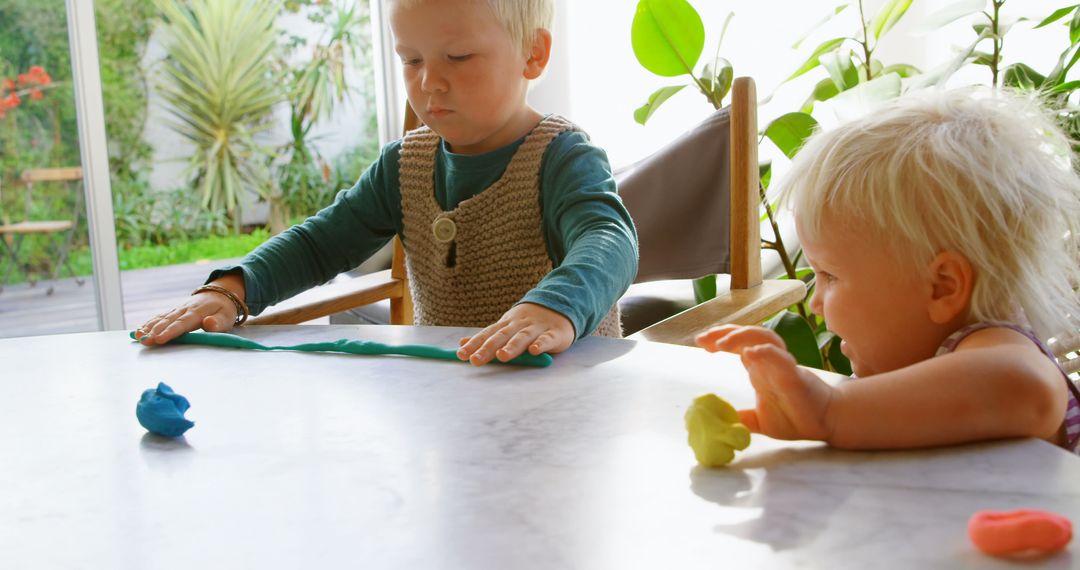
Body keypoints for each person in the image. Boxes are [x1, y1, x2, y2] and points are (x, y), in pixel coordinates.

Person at [135, 0, 637, 366]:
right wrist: (231, 290)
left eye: (458, 57)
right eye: (411, 59)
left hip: (569, 397)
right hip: (459, 400)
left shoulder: (563, 157)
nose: (429, 82)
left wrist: (557, 305)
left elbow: (610, 241)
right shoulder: (404, 164)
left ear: (533, 54)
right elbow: (319, 244)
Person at [695, 88, 1080, 453]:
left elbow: (1028, 389)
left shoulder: (994, 344)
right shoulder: (917, 374)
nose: (815, 303)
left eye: (830, 276)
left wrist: (832, 410)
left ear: (942, 287)